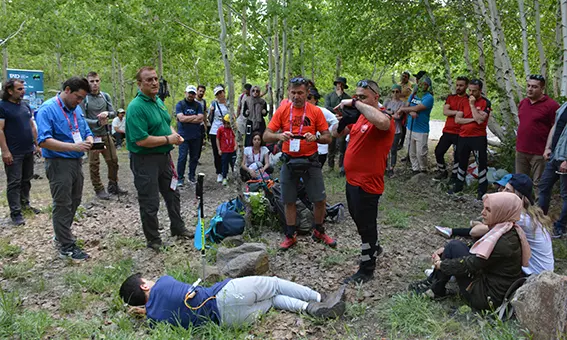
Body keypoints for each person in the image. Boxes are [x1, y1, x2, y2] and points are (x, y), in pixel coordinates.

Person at [412, 192, 530, 310]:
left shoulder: (504, 242)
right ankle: (434, 284)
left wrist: (441, 264)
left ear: (501, 212)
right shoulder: (506, 229)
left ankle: (435, 288)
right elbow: (479, 251)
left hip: (487, 298)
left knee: (453, 248)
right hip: (493, 287)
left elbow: (469, 264)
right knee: (453, 247)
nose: (482, 213)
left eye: (488, 210)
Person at [332, 79, 395, 284]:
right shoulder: (361, 117)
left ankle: (367, 268)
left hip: (368, 184)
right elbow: (337, 133)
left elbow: (384, 123)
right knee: (359, 221)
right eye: (356, 96)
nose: (358, 101)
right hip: (352, 181)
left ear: (376, 97)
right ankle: (374, 247)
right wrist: (340, 120)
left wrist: (355, 104)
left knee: (367, 226)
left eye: (363, 97)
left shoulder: (383, 116)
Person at [119, 274, 346, 329]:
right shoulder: (164, 283)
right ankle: (320, 298)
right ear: (144, 286)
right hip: (225, 296)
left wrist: (143, 310)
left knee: (274, 300)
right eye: (145, 278)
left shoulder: (153, 320)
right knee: (274, 284)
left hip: (231, 321)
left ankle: (310, 309)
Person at [126, 67, 192, 251]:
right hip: (145, 160)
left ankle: (178, 228)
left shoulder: (158, 102)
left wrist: (174, 135)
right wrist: (167, 139)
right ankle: (153, 239)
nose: (154, 83)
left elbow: (165, 124)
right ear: (139, 84)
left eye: (155, 79)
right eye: (149, 80)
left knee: (173, 193)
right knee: (150, 200)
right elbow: (140, 140)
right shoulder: (136, 108)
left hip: (164, 157)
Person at [264, 77, 334, 250]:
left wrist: (316, 137)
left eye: (300, 93)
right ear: (289, 92)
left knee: (319, 199)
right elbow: (266, 135)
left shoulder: (315, 112)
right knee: (289, 200)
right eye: (293, 93)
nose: (296, 96)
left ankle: (318, 230)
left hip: (311, 160)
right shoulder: (282, 111)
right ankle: (290, 235)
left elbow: (328, 137)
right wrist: (278, 136)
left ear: (307, 93)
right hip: (289, 161)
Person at [435, 174, 554, 276]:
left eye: (507, 191)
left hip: (531, 275)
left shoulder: (519, 218)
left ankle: (448, 270)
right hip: (540, 271)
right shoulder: (529, 214)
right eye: (502, 189)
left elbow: (475, 232)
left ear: (519, 198)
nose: (501, 192)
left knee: (481, 248)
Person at [36, 77, 94, 261]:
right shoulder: (47, 109)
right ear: (67, 90)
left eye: (82, 99)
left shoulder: (76, 109)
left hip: (76, 162)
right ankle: (66, 245)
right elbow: (43, 140)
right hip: (58, 163)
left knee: (75, 200)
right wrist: (73, 147)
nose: (79, 102)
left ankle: (61, 234)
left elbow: (85, 131)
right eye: (78, 97)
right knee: (62, 203)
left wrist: (90, 140)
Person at [80, 71, 126, 199]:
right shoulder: (84, 99)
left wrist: (106, 113)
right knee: (94, 164)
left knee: (113, 160)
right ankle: (99, 189)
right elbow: (82, 119)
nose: (95, 84)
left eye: (97, 81)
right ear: (87, 83)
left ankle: (113, 184)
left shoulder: (105, 96)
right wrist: (96, 121)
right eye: (92, 81)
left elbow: (113, 112)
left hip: (106, 134)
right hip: (93, 136)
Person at [0, 78, 40, 226]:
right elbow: (0, 129)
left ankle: (25, 205)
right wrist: (5, 151)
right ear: (9, 91)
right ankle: (15, 213)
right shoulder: (2, 106)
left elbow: (32, 126)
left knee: (26, 179)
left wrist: (37, 144)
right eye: (19, 89)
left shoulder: (25, 106)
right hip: (13, 152)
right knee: (14, 182)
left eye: (23, 89)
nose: (23, 92)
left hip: (28, 150)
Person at [516, 74, 559, 195]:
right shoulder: (523, 103)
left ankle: (537, 212)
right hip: (521, 150)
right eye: (528, 86)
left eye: (534, 87)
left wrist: (548, 148)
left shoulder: (551, 105)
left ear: (542, 89)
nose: (530, 89)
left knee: (538, 185)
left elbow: (556, 127)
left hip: (539, 153)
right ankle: (520, 211)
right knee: (519, 183)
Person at [451, 79, 491, 200]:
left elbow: (480, 120)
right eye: (470, 90)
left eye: (474, 90)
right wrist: (473, 119)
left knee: (481, 163)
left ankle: (482, 190)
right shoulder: (463, 101)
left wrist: (473, 106)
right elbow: (458, 120)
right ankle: (458, 186)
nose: (471, 93)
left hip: (478, 137)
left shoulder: (485, 102)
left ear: (480, 90)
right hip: (463, 136)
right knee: (461, 161)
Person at [538, 98, 567, 238]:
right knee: (543, 187)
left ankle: (560, 227)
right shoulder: (564, 106)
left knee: (565, 194)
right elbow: (555, 126)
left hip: (565, 159)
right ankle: (540, 221)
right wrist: (548, 147)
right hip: (555, 155)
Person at [433, 76, 469, 182]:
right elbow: (445, 112)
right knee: (438, 151)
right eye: (457, 85)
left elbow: (466, 115)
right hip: (448, 131)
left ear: (466, 86)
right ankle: (442, 171)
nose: (458, 87)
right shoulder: (451, 97)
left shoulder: (468, 100)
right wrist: (458, 112)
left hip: (461, 132)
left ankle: (454, 176)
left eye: (461, 85)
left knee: (458, 155)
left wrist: (453, 112)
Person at [396, 75, 434, 174]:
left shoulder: (429, 97)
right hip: (410, 126)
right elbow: (407, 106)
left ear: (428, 86)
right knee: (411, 151)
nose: (422, 86)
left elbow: (418, 108)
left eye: (425, 84)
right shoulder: (413, 95)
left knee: (421, 152)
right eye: (420, 84)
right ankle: (415, 169)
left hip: (422, 129)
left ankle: (423, 169)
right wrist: (409, 112)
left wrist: (405, 110)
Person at [175, 85, 204, 187]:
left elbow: (201, 118)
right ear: (185, 93)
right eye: (189, 93)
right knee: (182, 157)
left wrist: (187, 118)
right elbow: (181, 118)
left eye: (193, 93)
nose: (191, 95)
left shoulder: (198, 105)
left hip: (196, 136)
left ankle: (192, 176)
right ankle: (180, 178)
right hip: (183, 136)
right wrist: (194, 117)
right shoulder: (180, 104)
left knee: (194, 157)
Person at [306, 86, 338, 167]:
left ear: (315, 99)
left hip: (320, 149)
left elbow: (335, 121)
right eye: (305, 97)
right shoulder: (299, 112)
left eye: (309, 98)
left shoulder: (322, 111)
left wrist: (327, 132)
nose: (306, 100)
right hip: (304, 150)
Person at [324, 77, 350, 172]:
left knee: (342, 144)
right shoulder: (329, 95)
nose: (339, 86)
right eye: (338, 84)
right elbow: (327, 107)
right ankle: (330, 166)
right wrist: (334, 114)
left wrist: (340, 97)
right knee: (331, 144)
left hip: (343, 122)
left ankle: (341, 167)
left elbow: (348, 110)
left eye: (341, 84)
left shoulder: (347, 98)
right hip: (331, 122)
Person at [208, 85, 229, 183]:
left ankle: (226, 172)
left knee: (226, 152)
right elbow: (209, 117)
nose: (220, 95)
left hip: (226, 130)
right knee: (217, 152)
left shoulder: (229, 104)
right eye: (218, 93)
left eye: (221, 92)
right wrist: (211, 111)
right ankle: (219, 172)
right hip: (215, 130)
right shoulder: (213, 104)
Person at [384, 84, 404, 176]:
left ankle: (391, 168)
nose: (395, 93)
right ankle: (384, 167)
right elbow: (381, 112)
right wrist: (393, 113)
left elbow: (398, 116)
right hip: (386, 129)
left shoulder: (402, 103)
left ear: (400, 92)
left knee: (393, 150)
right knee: (384, 149)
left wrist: (389, 114)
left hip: (396, 130)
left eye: (397, 91)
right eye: (393, 91)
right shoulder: (387, 102)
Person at [216, 114, 237, 186]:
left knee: (233, 164)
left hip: (232, 150)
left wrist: (236, 145)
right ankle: (224, 177)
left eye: (229, 123)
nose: (227, 125)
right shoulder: (220, 129)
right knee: (224, 165)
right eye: (226, 123)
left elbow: (235, 137)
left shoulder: (233, 129)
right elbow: (217, 139)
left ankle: (235, 177)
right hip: (224, 150)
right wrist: (219, 149)